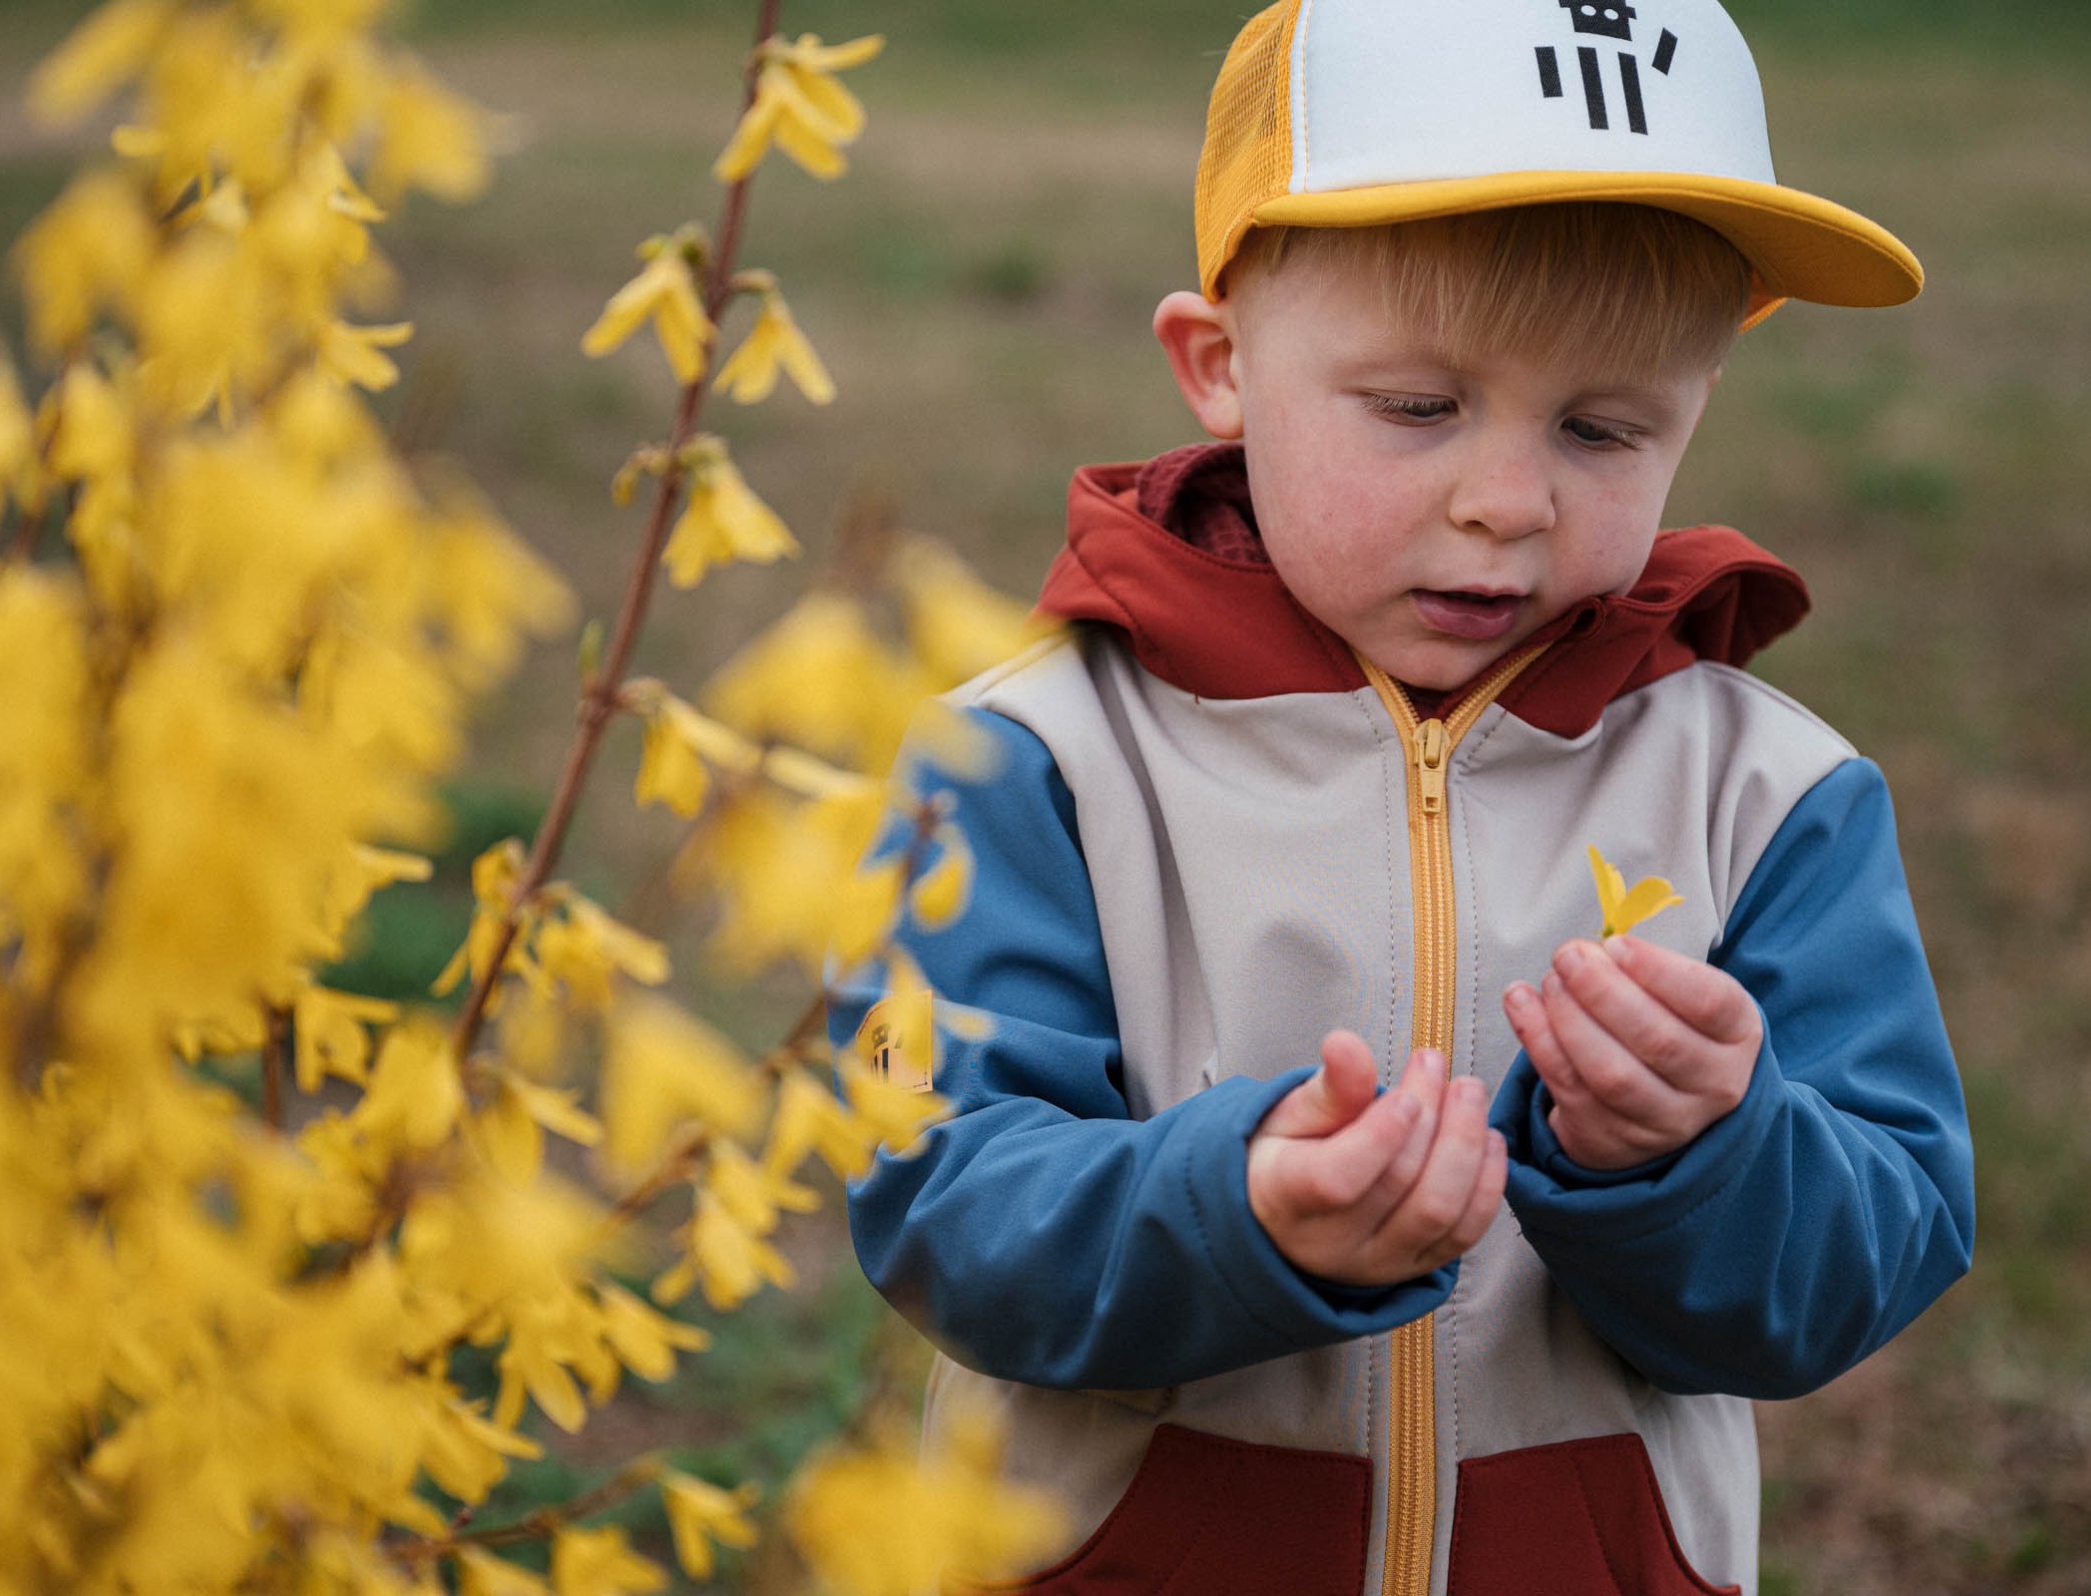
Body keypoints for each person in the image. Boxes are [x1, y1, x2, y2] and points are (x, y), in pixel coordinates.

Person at [830, 3, 1974, 1592]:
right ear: (1219, 368)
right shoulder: (1033, 760)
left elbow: (1879, 1243)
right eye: (1418, 408)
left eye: (1605, 426)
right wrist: (1239, 1215)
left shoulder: (1771, 792)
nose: (1508, 501)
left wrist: (1708, 1153)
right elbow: (934, 1189)